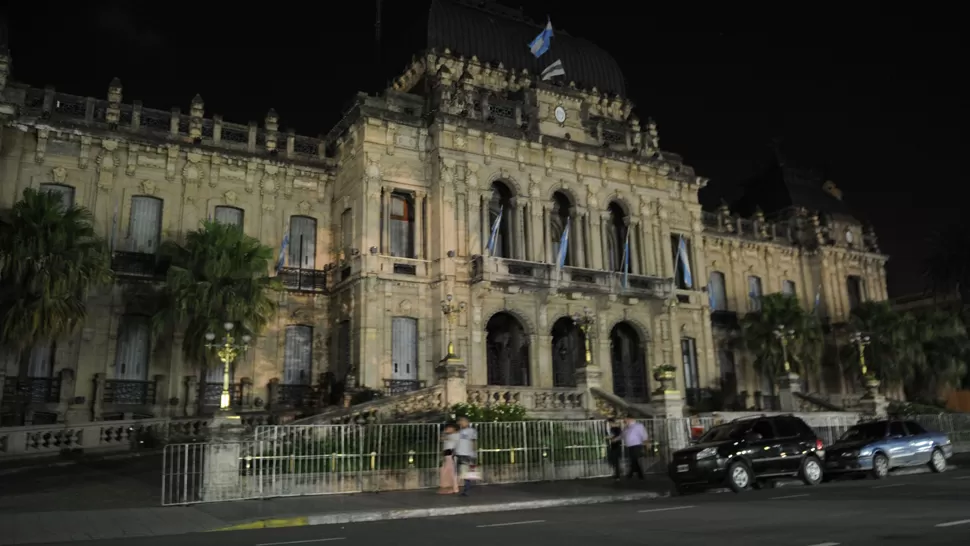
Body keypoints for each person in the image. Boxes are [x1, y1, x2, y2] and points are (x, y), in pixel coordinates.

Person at [455, 416, 478, 496]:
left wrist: (473, 452)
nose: (461, 422)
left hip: (467, 454)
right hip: (460, 453)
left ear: (467, 422)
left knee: (466, 472)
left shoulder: (471, 431)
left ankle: (467, 490)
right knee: (462, 472)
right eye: (460, 421)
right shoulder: (459, 431)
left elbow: (474, 441)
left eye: (463, 421)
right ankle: (466, 488)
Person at [621, 415, 649, 480]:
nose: (624, 421)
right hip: (630, 446)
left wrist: (647, 443)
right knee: (634, 460)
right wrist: (616, 439)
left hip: (636, 445)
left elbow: (644, 435)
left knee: (634, 459)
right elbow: (622, 435)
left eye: (625, 419)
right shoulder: (626, 427)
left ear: (630, 419)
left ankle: (631, 474)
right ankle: (640, 474)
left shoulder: (638, 426)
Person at [438, 422, 460, 494]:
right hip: (447, 455)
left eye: (449, 428)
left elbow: (443, 438)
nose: (447, 429)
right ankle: (448, 487)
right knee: (445, 471)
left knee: (451, 472)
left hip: (452, 454)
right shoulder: (451, 435)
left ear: (454, 428)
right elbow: (442, 439)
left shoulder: (456, 435)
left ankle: (454, 488)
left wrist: (444, 432)